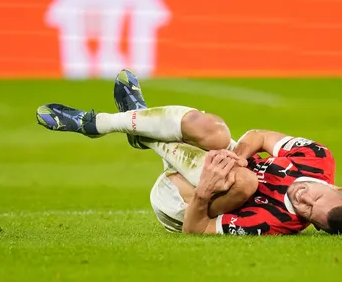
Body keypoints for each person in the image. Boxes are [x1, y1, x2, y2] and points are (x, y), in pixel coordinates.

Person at [36, 69, 342, 235]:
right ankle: (98, 123)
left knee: (244, 182)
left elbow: (197, 229)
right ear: (337, 188)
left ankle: (140, 130)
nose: (304, 199)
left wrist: (204, 192)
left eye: (307, 212)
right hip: (227, 166)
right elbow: (259, 136)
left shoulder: (275, 223)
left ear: (311, 223)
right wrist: (240, 153)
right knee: (216, 131)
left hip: (181, 201)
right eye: (315, 196)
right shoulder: (318, 158)